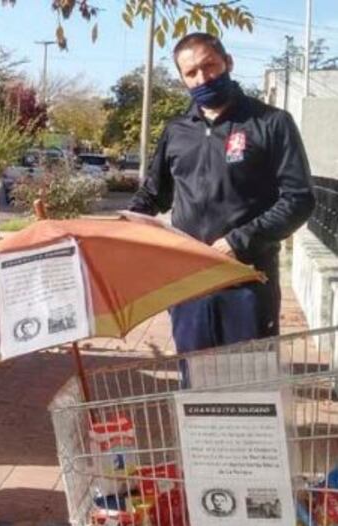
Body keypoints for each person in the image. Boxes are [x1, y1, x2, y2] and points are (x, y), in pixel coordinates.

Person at [129, 33, 315, 353]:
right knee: (197, 385)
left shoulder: (271, 123)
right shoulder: (177, 131)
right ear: (182, 79)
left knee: (249, 390)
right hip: (188, 282)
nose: (202, 78)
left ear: (228, 62)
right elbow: (153, 194)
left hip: (246, 282)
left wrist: (236, 242)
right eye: (191, 73)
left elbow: (299, 199)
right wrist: (120, 225)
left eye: (209, 66)